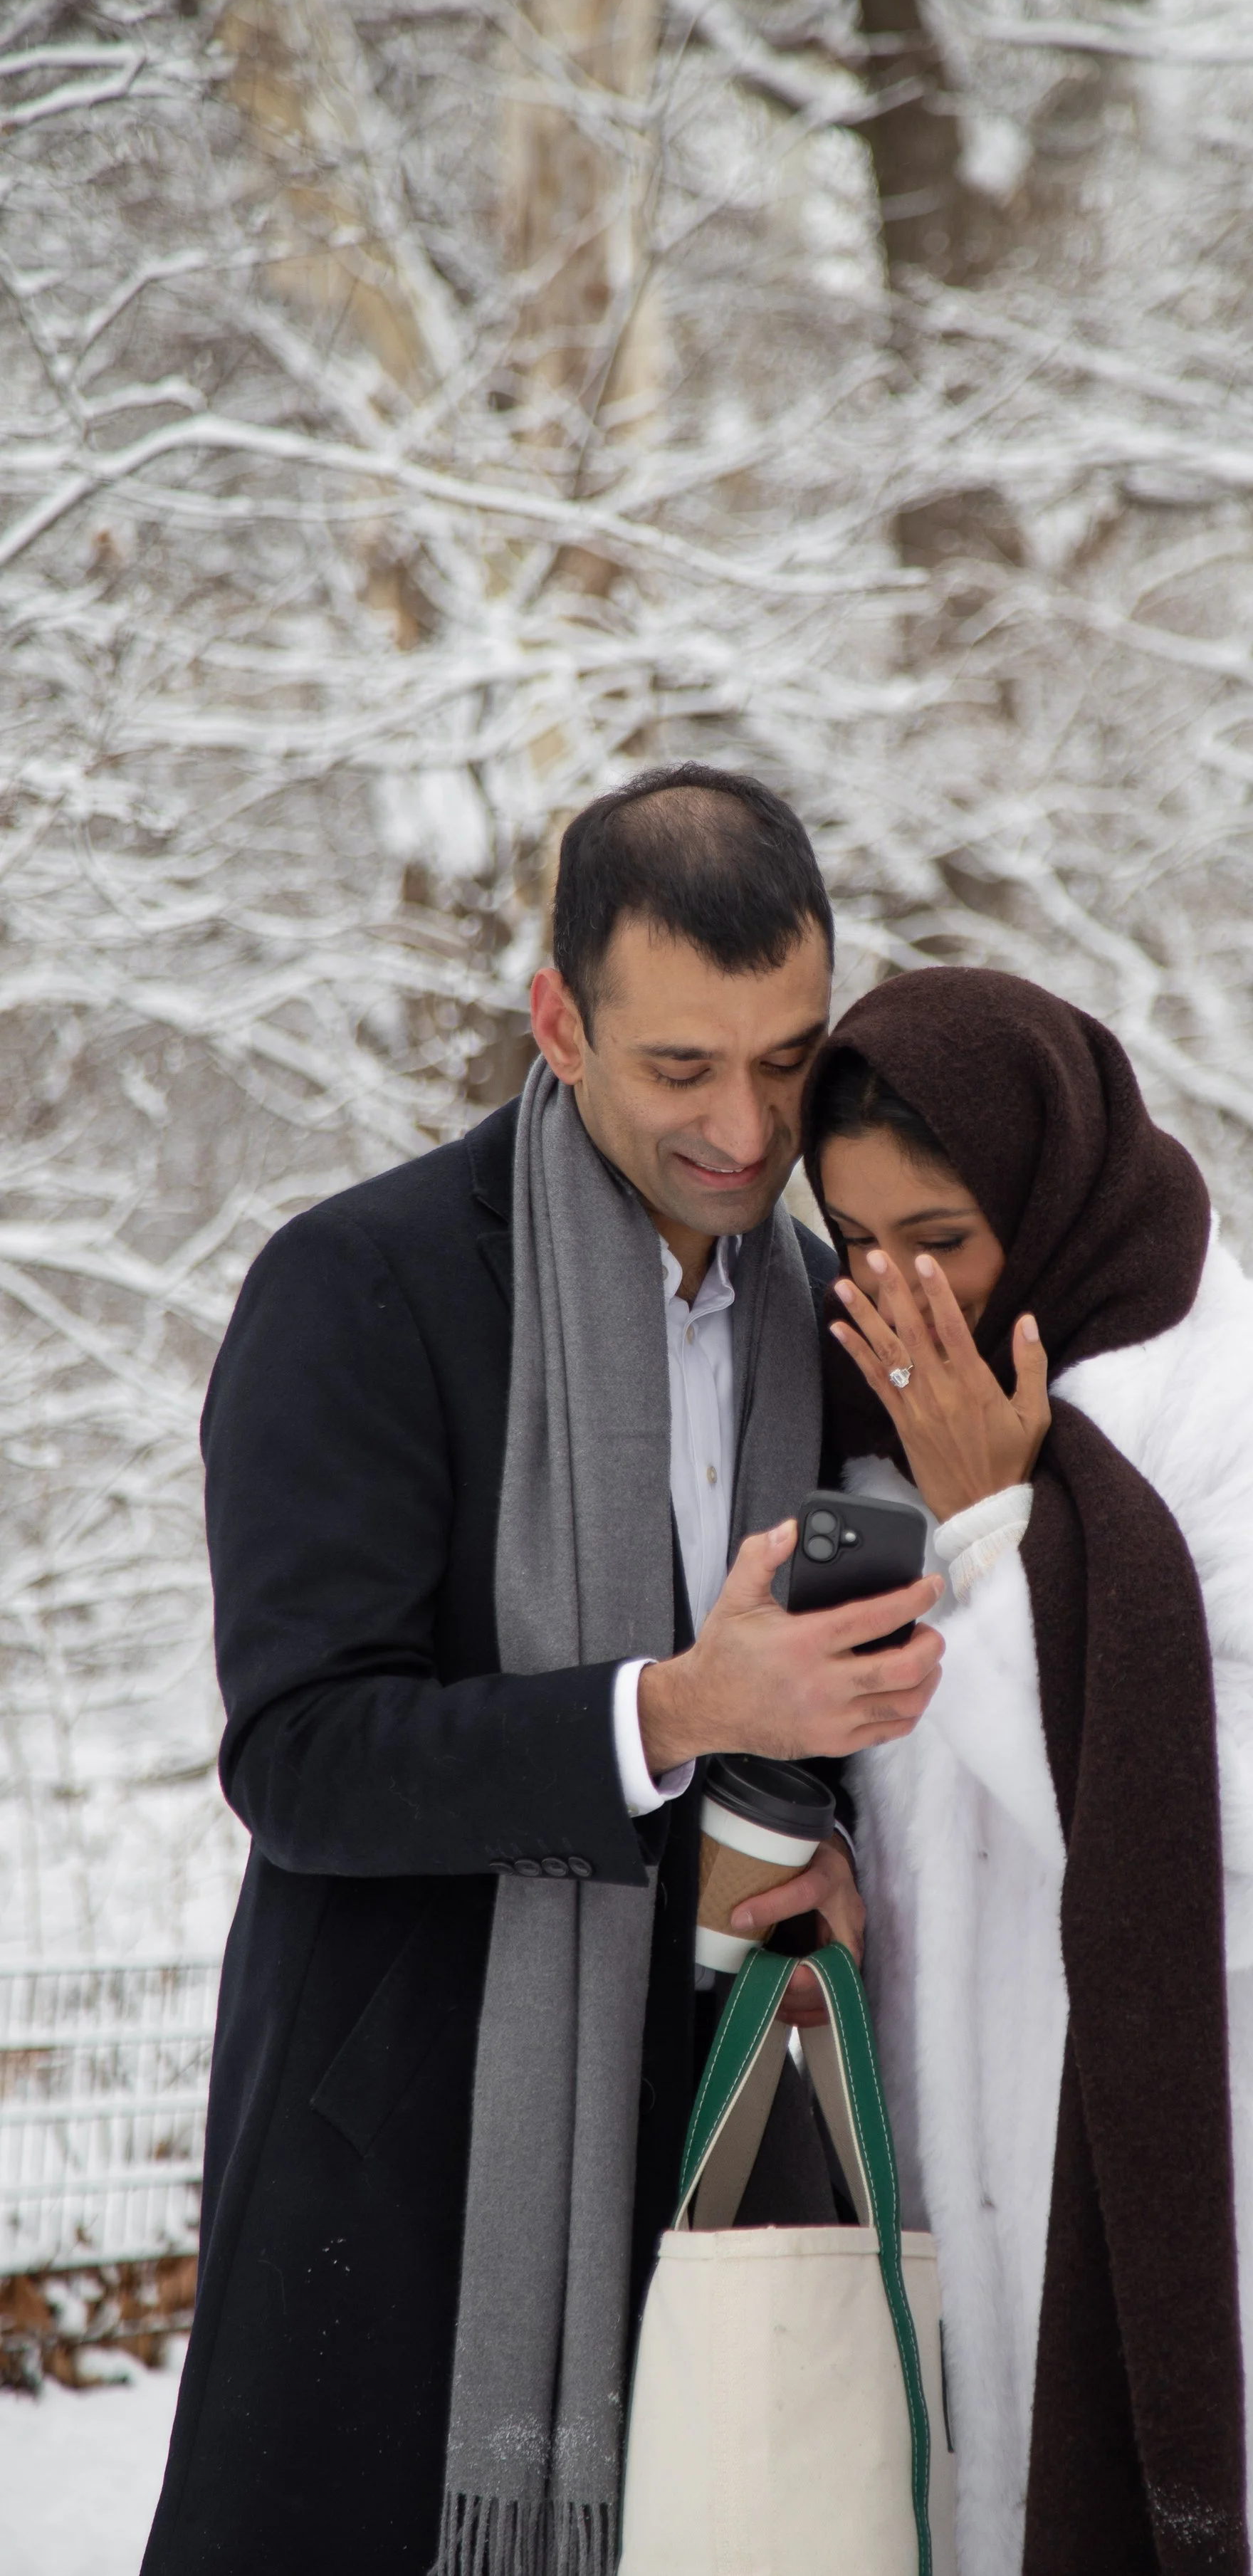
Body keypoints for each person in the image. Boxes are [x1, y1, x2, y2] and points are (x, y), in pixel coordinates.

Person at [142, 768, 946, 2576]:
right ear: (557, 1021)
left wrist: (843, 1847)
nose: (746, 1129)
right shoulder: (363, 1285)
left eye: (788, 1058)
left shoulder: (830, 1322)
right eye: (681, 1067)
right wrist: (676, 1711)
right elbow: (303, 1750)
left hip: (722, 2148)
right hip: (416, 2162)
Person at [802, 969, 1253, 2576]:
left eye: (943, 1239)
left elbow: (1236, 1859)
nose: (898, 1294)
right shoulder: (867, 1423)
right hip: (959, 2262)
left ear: (1051, 1187)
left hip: (1237, 2255)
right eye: (851, 1243)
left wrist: (990, 1542)